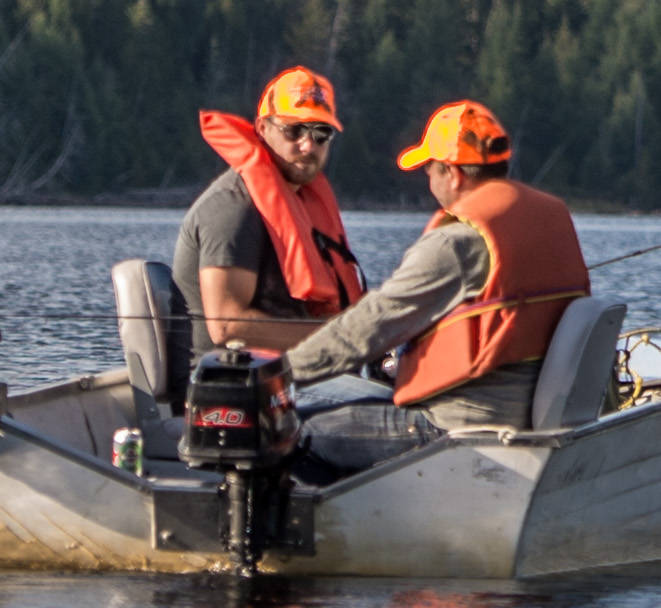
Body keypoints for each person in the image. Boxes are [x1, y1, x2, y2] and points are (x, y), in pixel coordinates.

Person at [276, 99, 596, 423]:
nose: (429, 179)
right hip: (530, 416)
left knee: (292, 425)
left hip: (454, 426)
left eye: (429, 168)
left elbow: (366, 329)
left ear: (453, 174)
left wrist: (274, 376)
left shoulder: (455, 244)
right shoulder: (549, 221)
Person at [176, 65, 364, 353]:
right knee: (384, 399)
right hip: (235, 386)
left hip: (295, 375)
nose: (307, 145)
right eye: (294, 130)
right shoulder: (233, 208)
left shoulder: (301, 204)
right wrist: (344, 339)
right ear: (263, 129)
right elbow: (227, 326)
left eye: (321, 133)